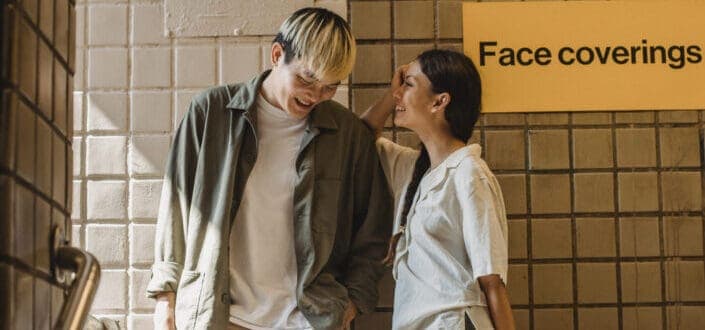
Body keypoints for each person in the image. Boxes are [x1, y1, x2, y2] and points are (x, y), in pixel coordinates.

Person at [147, 8, 393, 330]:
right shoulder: (210, 114)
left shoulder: (348, 136)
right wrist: (166, 301)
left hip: (309, 321)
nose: (315, 96)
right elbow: (176, 210)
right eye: (306, 78)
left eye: (330, 87)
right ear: (277, 54)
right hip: (221, 318)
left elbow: (372, 232)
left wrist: (350, 304)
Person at [361, 49, 515, 329]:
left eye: (408, 85)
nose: (399, 95)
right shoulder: (413, 170)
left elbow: (492, 281)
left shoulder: (469, 173)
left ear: (439, 101)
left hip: (454, 321)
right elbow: (361, 138)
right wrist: (392, 91)